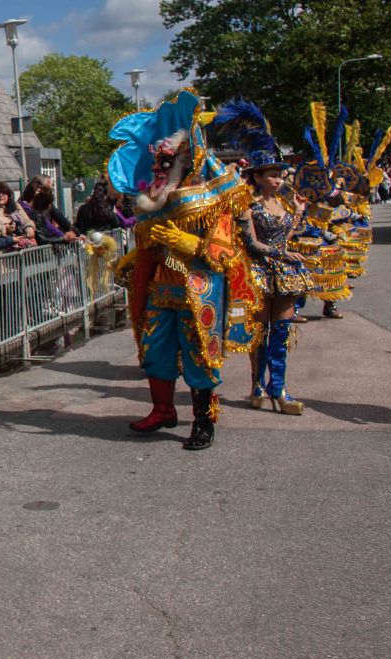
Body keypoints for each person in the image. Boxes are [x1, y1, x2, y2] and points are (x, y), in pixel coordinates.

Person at [111, 92, 263, 450]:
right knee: (155, 351)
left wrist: (185, 241)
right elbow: (149, 241)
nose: (159, 168)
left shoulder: (212, 197)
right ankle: (162, 409)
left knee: (200, 356)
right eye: (158, 161)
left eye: (167, 160)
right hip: (160, 290)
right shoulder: (156, 197)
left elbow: (224, 251)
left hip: (198, 289)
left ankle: (203, 421)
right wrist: (133, 259)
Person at [213, 100, 315, 416]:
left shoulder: (283, 204)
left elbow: (284, 237)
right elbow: (253, 244)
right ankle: (257, 384)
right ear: (257, 176)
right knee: (259, 334)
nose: (278, 180)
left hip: (283, 274)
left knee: (281, 334)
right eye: (272, 175)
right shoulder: (247, 205)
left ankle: (278, 388)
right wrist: (283, 253)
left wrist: (298, 214)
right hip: (258, 273)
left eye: (280, 175)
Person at [20, 175, 78, 244]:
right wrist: (63, 237)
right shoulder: (34, 213)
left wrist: (76, 233)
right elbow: (44, 234)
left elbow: (61, 218)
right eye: (48, 189)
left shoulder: (41, 211)